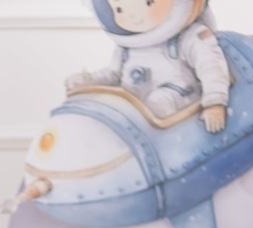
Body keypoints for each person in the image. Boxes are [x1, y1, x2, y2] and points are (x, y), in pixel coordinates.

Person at [67, 0, 231, 133]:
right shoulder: (127, 46)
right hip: (132, 104)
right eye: (119, 10)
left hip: (178, 96)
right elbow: (113, 74)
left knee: (156, 103)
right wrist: (89, 81)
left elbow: (211, 67)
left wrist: (214, 103)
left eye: (148, 2)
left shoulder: (190, 36)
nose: (134, 16)